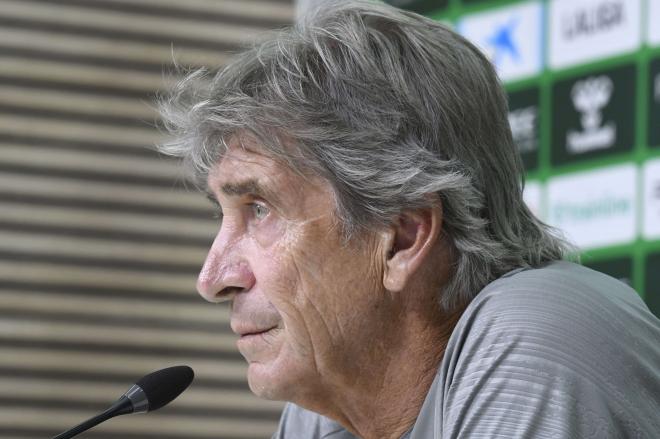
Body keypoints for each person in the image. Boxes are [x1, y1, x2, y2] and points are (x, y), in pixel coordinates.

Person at [157, 1, 660, 437]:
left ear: (402, 237)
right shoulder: (331, 399)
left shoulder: (538, 338)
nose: (212, 279)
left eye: (260, 210)